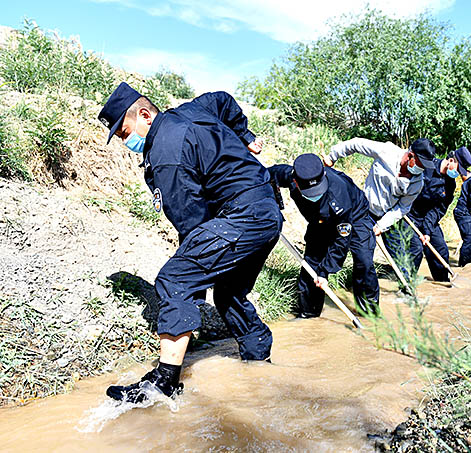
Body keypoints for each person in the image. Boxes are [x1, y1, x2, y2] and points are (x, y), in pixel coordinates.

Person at [97, 82, 283, 403]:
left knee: (175, 279)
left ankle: (164, 381)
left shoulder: (166, 154)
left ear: (144, 115)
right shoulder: (192, 110)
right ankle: (260, 366)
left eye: (126, 133)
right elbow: (223, 101)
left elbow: (192, 225)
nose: (126, 142)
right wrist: (246, 136)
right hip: (267, 212)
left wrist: (189, 290)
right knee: (228, 292)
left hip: (239, 217)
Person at [268, 154, 380, 316]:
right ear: (296, 182)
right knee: (311, 264)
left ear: (324, 175)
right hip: (319, 221)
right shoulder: (290, 175)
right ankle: (309, 314)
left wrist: (325, 271)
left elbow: (342, 240)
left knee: (364, 261)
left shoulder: (339, 197)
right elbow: (265, 175)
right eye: (310, 191)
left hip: (354, 217)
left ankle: (369, 313)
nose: (314, 195)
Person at [322, 138, 435, 285]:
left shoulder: (417, 183)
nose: (421, 169)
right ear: (410, 155)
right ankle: (340, 279)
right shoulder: (387, 151)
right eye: (420, 164)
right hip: (364, 210)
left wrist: (382, 226)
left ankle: (405, 289)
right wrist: (332, 157)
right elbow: (355, 144)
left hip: (388, 215)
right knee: (364, 256)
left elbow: (403, 207)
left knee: (408, 254)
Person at [405, 146, 471, 282]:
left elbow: (439, 209)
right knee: (416, 249)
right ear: (451, 160)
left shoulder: (450, 185)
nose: (458, 174)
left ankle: (443, 282)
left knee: (441, 249)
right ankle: (406, 285)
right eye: (458, 170)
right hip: (410, 215)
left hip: (428, 218)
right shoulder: (426, 167)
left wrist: (427, 231)